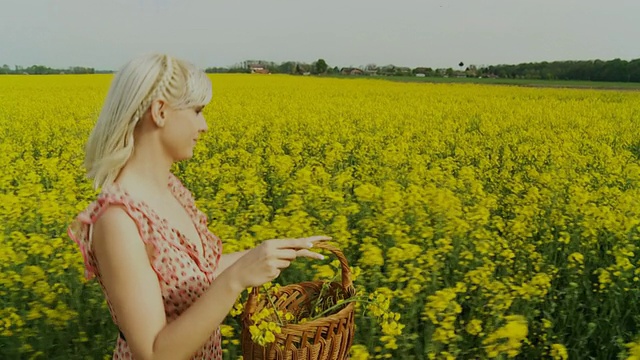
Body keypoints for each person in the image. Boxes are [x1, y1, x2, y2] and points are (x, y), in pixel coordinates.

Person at [67, 53, 328, 360]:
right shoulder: (118, 221)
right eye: (197, 111)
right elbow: (153, 353)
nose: (204, 126)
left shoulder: (171, 191)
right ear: (160, 112)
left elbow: (195, 275)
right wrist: (237, 278)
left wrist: (267, 253)